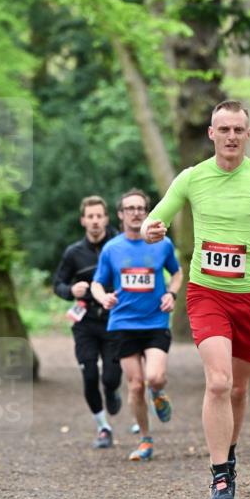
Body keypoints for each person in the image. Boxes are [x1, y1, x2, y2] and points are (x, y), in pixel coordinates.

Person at [142, 100, 250, 499]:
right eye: (224, 129)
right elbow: (154, 220)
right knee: (217, 382)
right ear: (211, 133)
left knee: (238, 388)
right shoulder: (192, 178)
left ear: (248, 135)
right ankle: (221, 477)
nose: (232, 136)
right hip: (207, 292)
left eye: (239, 130)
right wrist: (152, 231)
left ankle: (229, 455)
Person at [91, 188, 182, 461]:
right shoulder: (111, 248)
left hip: (155, 320)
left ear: (147, 212)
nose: (135, 213)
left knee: (154, 377)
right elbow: (97, 282)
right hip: (123, 323)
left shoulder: (162, 245)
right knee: (135, 385)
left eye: (140, 208)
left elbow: (177, 273)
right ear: (120, 215)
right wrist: (103, 297)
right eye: (129, 208)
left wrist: (172, 293)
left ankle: (159, 392)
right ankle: (145, 439)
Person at [53, 196, 123, 449]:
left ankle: (113, 392)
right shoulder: (74, 253)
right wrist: (72, 290)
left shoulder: (119, 246)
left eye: (99, 216)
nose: (95, 221)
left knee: (111, 378)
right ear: (83, 220)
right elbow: (57, 284)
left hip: (115, 321)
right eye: (90, 216)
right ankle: (103, 426)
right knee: (90, 374)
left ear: (106, 218)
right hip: (85, 323)